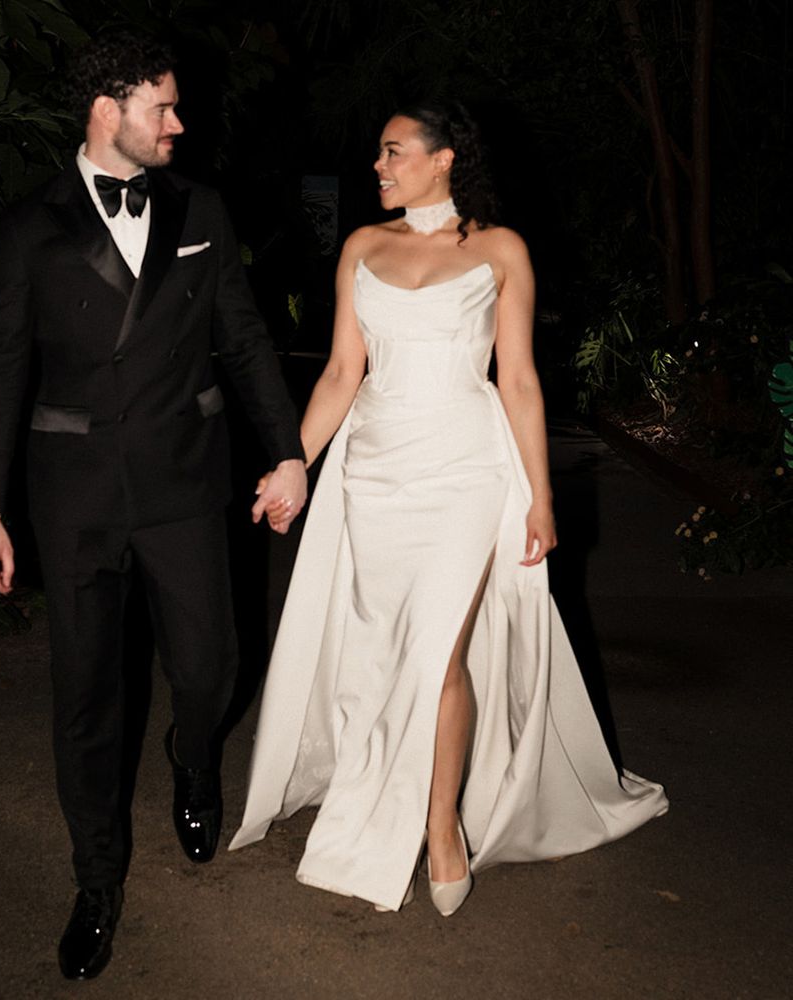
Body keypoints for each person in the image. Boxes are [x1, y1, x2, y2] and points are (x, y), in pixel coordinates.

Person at [229, 102, 667, 914]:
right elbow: (338, 375)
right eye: (379, 154)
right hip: (376, 475)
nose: (378, 166)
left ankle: (440, 827)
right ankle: (383, 783)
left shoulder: (501, 250)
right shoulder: (363, 247)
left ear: (444, 159)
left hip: (467, 473)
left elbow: (520, 380)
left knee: (441, 651)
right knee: (385, 650)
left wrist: (540, 495)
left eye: (393, 152)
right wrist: (294, 464)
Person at [0, 31, 307, 980]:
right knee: (84, 698)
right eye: (163, 106)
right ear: (107, 110)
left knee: (209, 667)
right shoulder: (30, 227)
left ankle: (193, 757)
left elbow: (241, 341)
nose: (178, 124)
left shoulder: (202, 208)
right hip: (73, 496)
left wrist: (286, 450)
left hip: (184, 482)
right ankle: (97, 884)